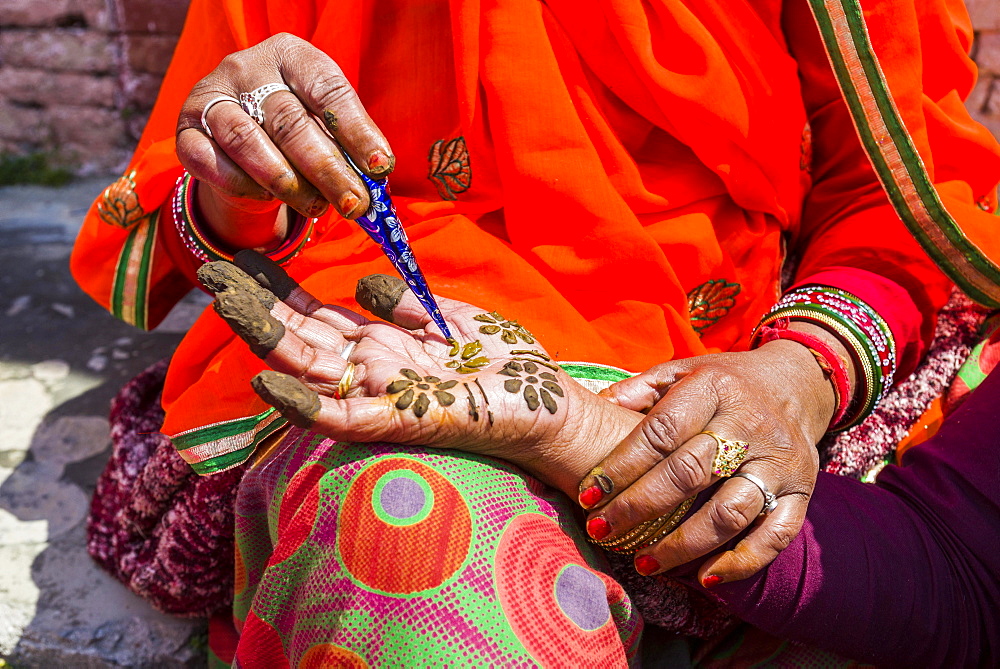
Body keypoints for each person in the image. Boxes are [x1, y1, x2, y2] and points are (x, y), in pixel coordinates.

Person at [70, 0, 1000, 665]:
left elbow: (894, 198)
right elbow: (192, 223)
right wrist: (244, 170)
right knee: (404, 535)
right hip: (387, 342)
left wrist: (795, 378)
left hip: (713, 345)